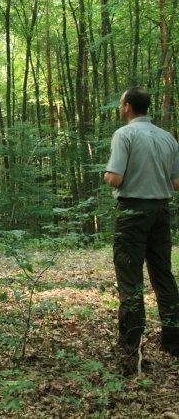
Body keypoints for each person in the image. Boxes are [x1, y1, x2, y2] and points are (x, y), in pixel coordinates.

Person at [104, 86, 179, 373]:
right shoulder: (167, 137)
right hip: (161, 212)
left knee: (130, 279)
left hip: (132, 213)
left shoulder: (125, 134)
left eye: (121, 102)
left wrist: (108, 175)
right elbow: (176, 183)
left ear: (127, 107)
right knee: (163, 277)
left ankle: (128, 351)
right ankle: (173, 342)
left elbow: (115, 177)